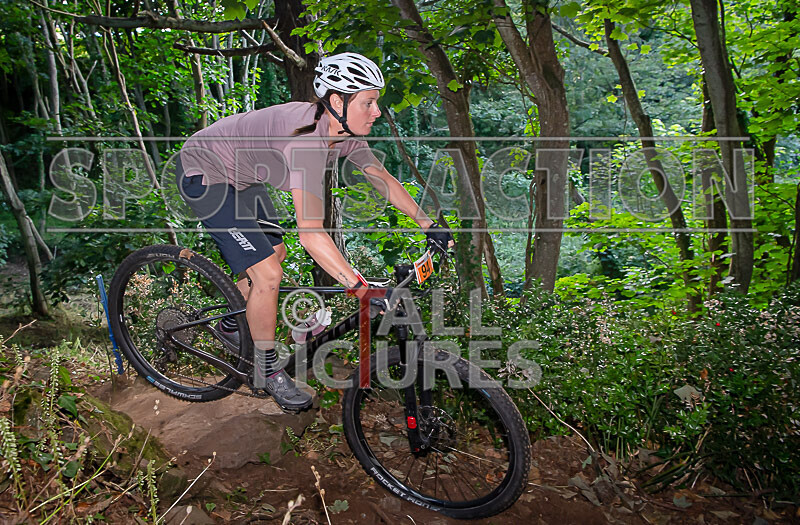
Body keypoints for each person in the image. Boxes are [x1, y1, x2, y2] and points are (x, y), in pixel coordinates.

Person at [176, 52, 453, 412]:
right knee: (269, 274)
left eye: (376, 102)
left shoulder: (344, 132)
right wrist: (359, 287)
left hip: (242, 177)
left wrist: (427, 223)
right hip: (205, 172)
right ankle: (266, 369)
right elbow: (311, 234)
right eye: (369, 102)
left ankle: (233, 323)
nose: (377, 111)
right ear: (338, 101)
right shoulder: (306, 141)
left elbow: (380, 176)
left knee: (275, 254)